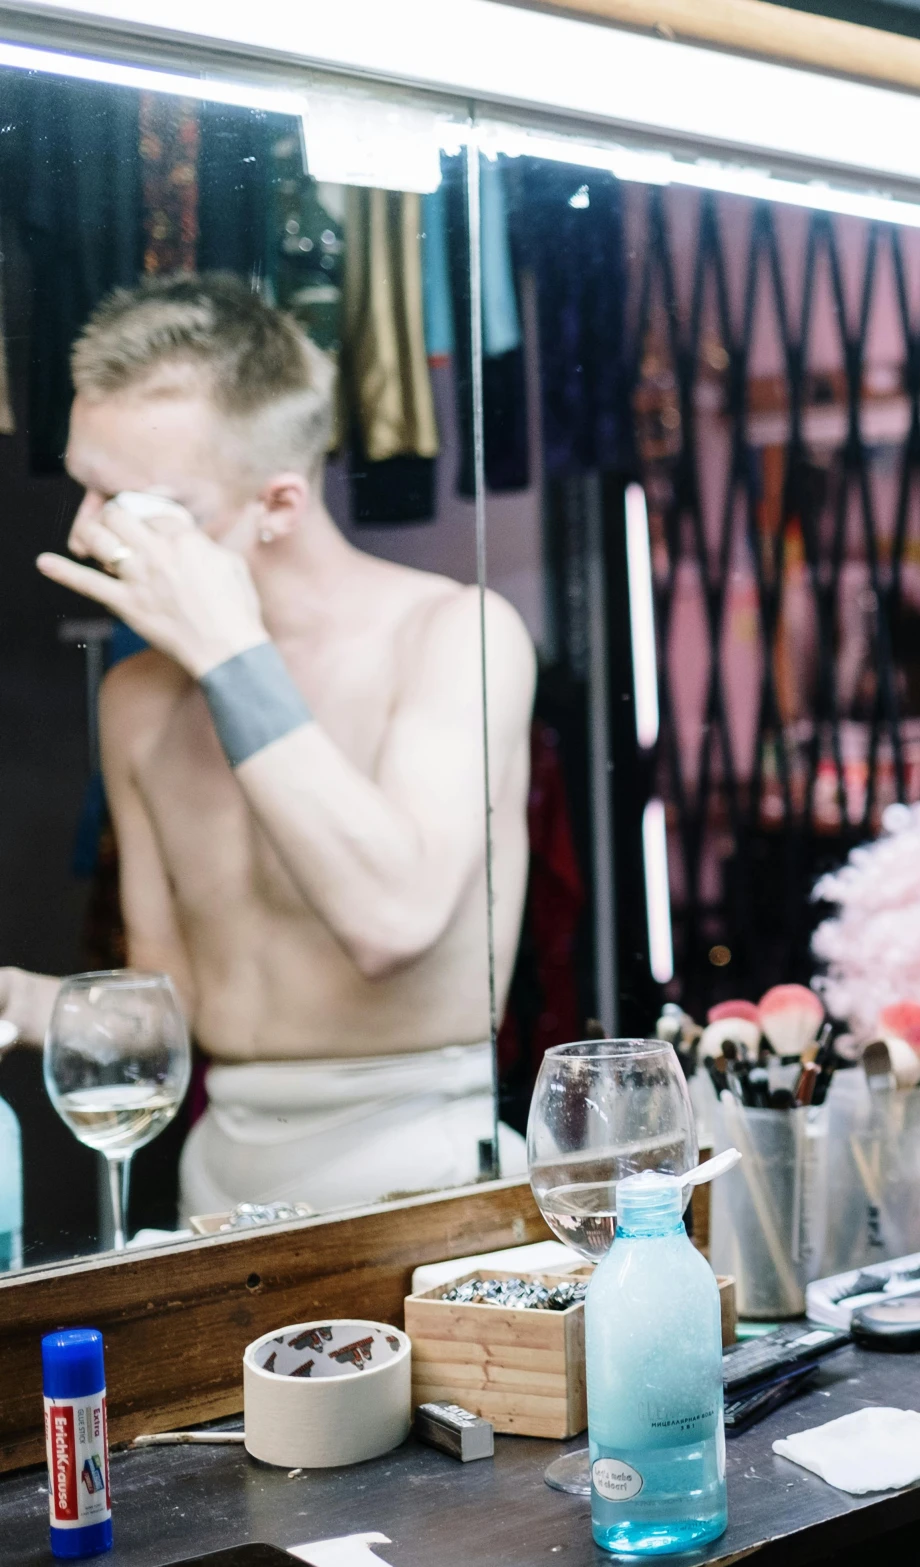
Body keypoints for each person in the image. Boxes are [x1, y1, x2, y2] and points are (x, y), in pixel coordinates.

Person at [0, 276, 534, 1218]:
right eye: (85, 483)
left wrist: (231, 653)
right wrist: (15, 999)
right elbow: (172, 1009)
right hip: (222, 1179)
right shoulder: (140, 698)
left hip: (427, 1170)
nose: (86, 531)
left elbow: (390, 917)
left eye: (128, 502)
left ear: (277, 505)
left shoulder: (455, 636)